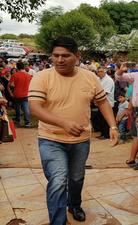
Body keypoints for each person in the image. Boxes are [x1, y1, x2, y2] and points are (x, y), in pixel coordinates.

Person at [28, 37, 119, 225]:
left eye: (65, 56)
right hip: (50, 139)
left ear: (77, 56)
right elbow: (35, 108)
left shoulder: (90, 77)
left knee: (76, 178)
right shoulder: (42, 77)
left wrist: (112, 126)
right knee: (58, 181)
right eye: (56, 55)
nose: (60, 59)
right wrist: (63, 123)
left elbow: (102, 101)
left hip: (81, 140)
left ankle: (74, 204)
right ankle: (58, 222)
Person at [8, 62, 32, 126]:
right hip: (26, 93)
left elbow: (11, 85)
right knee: (26, 107)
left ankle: (18, 119)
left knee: (17, 107)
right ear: (24, 67)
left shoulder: (14, 75)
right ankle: (27, 122)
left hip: (17, 93)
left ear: (17, 67)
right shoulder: (28, 75)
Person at [96, 66, 115, 139]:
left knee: (105, 120)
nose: (100, 73)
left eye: (101, 72)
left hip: (108, 103)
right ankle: (102, 133)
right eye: (98, 72)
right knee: (101, 119)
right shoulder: (98, 79)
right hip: (100, 102)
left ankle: (106, 134)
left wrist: (95, 97)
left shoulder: (108, 80)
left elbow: (105, 92)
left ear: (105, 72)